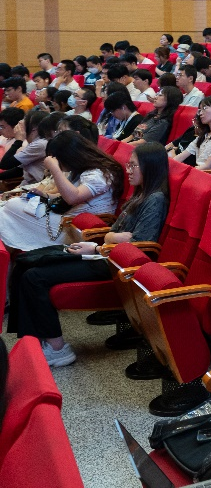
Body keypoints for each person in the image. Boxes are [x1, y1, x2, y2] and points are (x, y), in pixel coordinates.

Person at [8, 142, 169, 368]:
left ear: (150, 167)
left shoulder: (155, 199)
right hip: (104, 254)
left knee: (34, 277)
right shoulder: (141, 193)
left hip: (115, 265)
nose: (128, 170)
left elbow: (140, 246)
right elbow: (116, 234)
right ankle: (34, 339)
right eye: (128, 165)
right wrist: (105, 241)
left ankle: (57, 349)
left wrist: (101, 246)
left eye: (133, 166)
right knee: (24, 264)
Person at [0, 131, 123, 251]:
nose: (58, 164)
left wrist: (54, 168)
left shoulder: (100, 174)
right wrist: (45, 195)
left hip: (74, 227)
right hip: (66, 217)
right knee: (9, 206)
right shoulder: (84, 168)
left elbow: (73, 197)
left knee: (11, 206)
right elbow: (66, 195)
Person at [172, 96, 211, 172]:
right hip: (198, 171)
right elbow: (182, 155)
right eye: (200, 110)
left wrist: (185, 172)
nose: (200, 113)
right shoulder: (204, 135)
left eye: (204, 108)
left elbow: (207, 166)